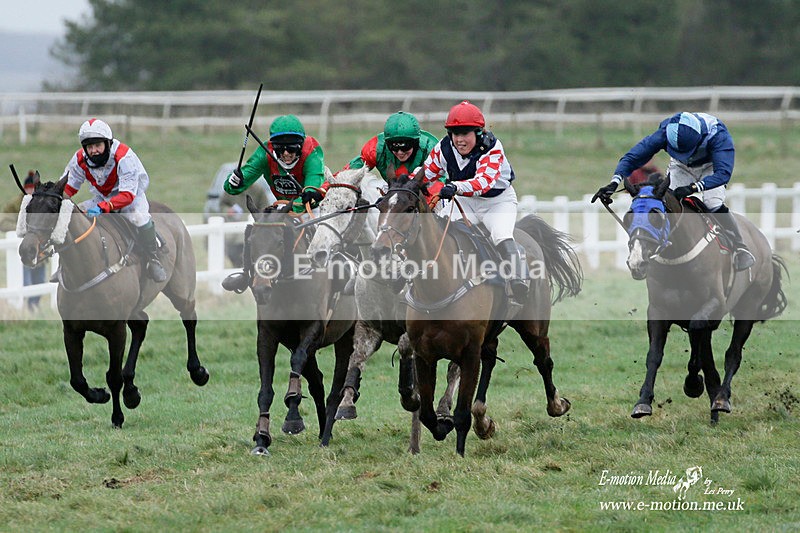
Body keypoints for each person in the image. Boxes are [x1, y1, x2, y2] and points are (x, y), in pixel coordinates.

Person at [592, 111, 755, 271]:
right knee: (667, 201)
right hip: (681, 166)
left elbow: (723, 174)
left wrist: (693, 188)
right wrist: (614, 182)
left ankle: (739, 247)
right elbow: (632, 157)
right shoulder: (665, 132)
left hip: (711, 166)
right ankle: (654, 248)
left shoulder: (718, 136)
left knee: (712, 203)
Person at [420, 100, 528, 303]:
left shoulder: (493, 148)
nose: (459, 140)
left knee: (500, 235)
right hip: (464, 201)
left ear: (478, 133)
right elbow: (425, 173)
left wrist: (455, 186)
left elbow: (483, 183)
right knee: (439, 231)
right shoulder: (444, 147)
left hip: (497, 202)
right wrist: (401, 187)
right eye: (455, 134)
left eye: (465, 134)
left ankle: (518, 278)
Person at [221, 114, 325, 292]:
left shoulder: (312, 152)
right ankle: (247, 273)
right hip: (282, 207)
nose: (285, 154)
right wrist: (234, 181)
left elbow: (312, 187)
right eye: (280, 149)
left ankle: (339, 271)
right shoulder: (265, 153)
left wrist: (300, 200)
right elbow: (233, 187)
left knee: (328, 233)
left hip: (314, 205)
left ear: (300, 146)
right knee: (257, 230)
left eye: (291, 149)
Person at [62, 119, 167, 282]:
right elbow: (68, 188)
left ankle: (153, 259)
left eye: (97, 145)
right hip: (101, 197)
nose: (93, 151)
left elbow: (127, 195)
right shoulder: (79, 159)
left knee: (138, 217)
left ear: (108, 143)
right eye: (89, 147)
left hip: (131, 196)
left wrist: (103, 207)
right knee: (74, 216)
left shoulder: (124, 157)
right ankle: (64, 266)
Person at [1, 170, 47, 310]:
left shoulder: (43, 203)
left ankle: (33, 310)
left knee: (40, 283)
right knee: (25, 283)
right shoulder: (16, 204)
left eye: (33, 188)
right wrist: (22, 229)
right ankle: (24, 311)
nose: (30, 191)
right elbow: (3, 221)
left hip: (40, 253)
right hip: (23, 250)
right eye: (28, 188)